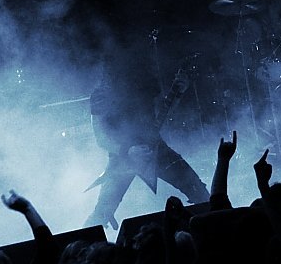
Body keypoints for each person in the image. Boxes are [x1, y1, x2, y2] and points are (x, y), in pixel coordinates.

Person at [84, 28, 210, 229]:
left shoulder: (144, 84)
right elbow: (101, 138)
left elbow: (159, 118)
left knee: (200, 192)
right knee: (102, 212)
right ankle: (81, 246)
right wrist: (127, 150)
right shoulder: (102, 94)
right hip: (123, 157)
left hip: (156, 150)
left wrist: (177, 93)